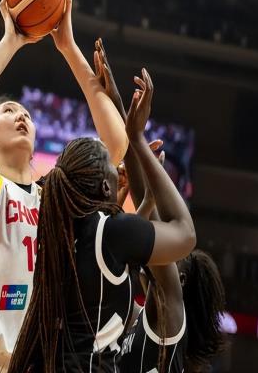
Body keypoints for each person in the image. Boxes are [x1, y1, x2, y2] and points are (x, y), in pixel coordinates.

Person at [0, 0, 128, 372]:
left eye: (27, 114)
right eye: (9, 111)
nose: (22, 116)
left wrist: (68, 47)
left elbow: (116, 146)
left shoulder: (52, 197)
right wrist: (12, 40)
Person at [8, 67, 196, 373]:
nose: (119, 169)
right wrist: (136, 139)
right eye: (113, 165)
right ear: (106, 188)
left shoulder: (59, 235)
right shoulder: (110, 235)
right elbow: (185, 233)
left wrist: (145, 199)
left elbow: (113, 250)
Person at [94, 38, 226, 372]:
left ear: (178, 279)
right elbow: (141, 221)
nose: (162, 244)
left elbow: (156, 221)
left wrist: (135, 136)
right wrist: (117, 108)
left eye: (172, 254)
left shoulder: (168, 316)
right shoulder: (141, 317)